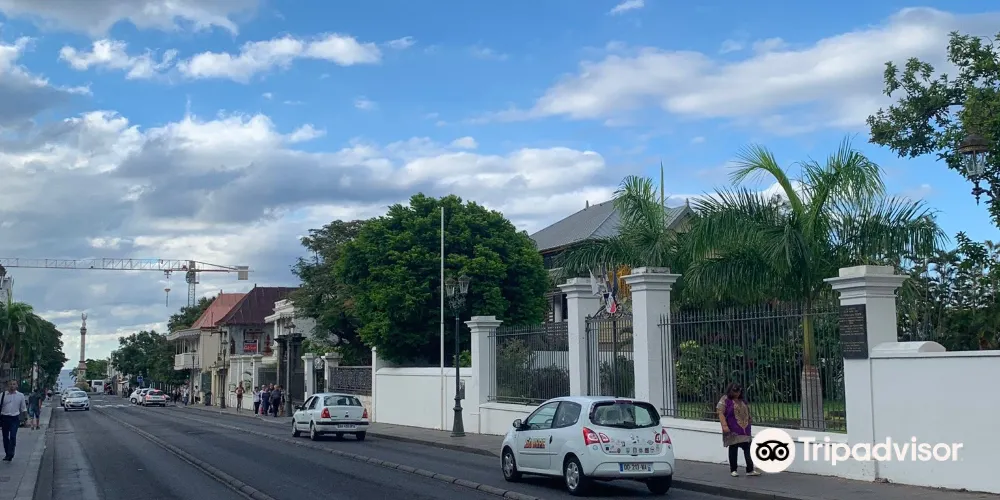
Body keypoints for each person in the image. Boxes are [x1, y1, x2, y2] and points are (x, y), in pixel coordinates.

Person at [717, 383, 759, 477]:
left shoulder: (742, 400)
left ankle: (750, 469)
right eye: (735, 391)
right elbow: (720, 412)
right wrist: (724, 425)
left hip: (744, 428)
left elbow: (747, 411)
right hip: (732, 428)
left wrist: (749, 418)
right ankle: (733, 470)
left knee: (748, 448)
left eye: (739, 391)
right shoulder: (725, 399)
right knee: (733, 447)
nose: (737, 393)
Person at [0, 380, 27, 461]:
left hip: (14, 418)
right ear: (8, 386)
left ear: (17, 386)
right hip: (4, 417)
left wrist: (25, 419)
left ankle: (11, 453)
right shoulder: (2, 395)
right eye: (10, 384)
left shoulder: (20, 395)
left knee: (12, 436)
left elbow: (23, 408)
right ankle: (7, 453)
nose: (12, 386)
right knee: (5, 437)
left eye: (14, 384)